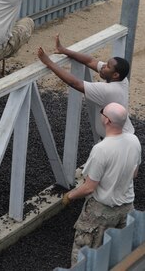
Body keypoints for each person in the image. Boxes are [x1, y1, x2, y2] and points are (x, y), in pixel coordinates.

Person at [61, 103, 141, 266]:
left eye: (102, 112)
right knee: (119, 251)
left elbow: (89, 187)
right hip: (127, 207)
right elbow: (134, 173)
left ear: (107, 121)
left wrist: (70, 196)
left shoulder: (101, 149)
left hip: (101, 211)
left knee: (84, 251)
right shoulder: (134, 141)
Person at [37, 34, 134, 138]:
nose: (104, 66)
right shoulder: (122, 80)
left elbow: (74, 83)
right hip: (124, 134)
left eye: (107, 66)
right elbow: (90, 61)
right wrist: (64, 50)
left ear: (115, 75)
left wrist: (48, 62)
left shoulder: (107, 90)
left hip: (117, 140)